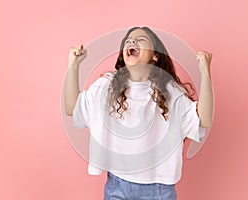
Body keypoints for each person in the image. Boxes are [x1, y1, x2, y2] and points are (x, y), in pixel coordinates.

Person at [64, 26, 213, 200]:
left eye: (141, 40)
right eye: (128, 41)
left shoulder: (170, 92)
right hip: (117, 186)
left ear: (155, 55)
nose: (132, 42)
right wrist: (73, 66)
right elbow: (71, 108)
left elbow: (203, 120)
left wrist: (205, 74)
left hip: (158, 190)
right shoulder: (107, 86)